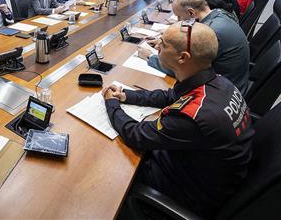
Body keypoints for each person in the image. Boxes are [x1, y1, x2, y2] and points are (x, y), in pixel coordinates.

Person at [103, 22, 253, 217]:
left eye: (164, 44)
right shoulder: (218, 82)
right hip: (203, 167)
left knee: (110, 168)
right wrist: (127, 96)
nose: (157, 46)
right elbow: (170, 96)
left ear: (183, 57)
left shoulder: (193, 116)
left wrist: (111, 103)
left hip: (188, 192)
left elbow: (136, 135)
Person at [138, 0, 249, 94]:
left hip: (221, 93)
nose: (178, 20)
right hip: (234, 83)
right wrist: (165, 43)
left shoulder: (208, 33)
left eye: (179, 16)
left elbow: (186, 70)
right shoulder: (219, 14)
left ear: (191, 12)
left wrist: (150, 57)